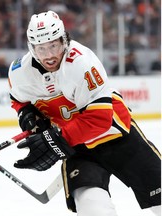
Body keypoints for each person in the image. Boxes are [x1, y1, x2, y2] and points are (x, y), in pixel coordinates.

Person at [8, 11, 161, 216]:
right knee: (93, 209)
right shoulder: (20, 73)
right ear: (31, 48)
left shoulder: (81, 63)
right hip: (77, 149)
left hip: (117, 138)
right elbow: (19, 101)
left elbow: (100, 120)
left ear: (64, 39)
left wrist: (55, 141)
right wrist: (28, 117)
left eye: (54, 45)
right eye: (41, 48)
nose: (49, 55)